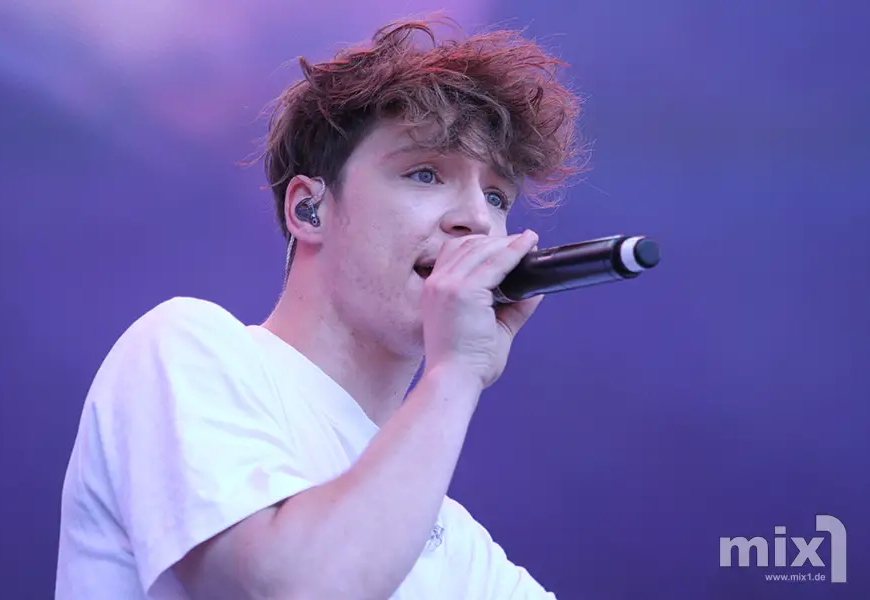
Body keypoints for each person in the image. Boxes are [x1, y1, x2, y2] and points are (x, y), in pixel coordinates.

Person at [56, 15, 582, 600]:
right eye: (426, 173)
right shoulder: (186, 349)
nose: (478, 220)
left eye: (497, 196)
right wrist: (456, 372)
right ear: (309, 209)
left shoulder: (454, 544)